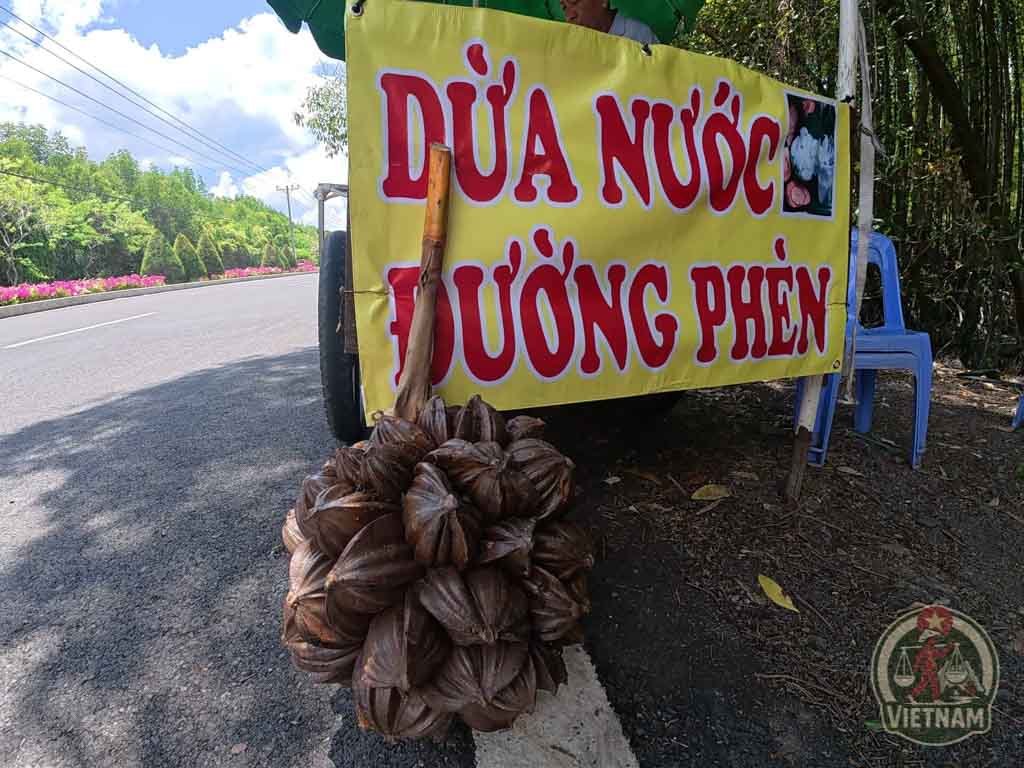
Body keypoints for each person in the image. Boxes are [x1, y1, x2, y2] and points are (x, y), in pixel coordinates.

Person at [558, 0, 658, 44]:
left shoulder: (638, 35)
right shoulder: (576, 45)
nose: (569, 16)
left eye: (574, 2)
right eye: (564, 7)